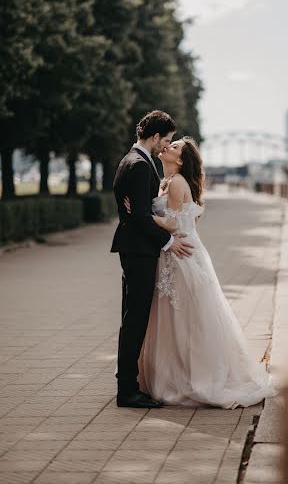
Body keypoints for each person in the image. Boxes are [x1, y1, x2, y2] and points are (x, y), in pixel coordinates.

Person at [128, 136, 276, 408]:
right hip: (182, 251)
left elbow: (172, 223)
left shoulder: (176, 183)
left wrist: (142, 215)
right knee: (184, 317)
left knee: (181, 318)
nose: (167, 147)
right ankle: (182, 373)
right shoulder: (169, 182)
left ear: (181, 160)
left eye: (174, 147)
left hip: (179, 253)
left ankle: (184, 378)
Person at [111, 110, 194, 409]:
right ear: (156, 136)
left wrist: (142, 216)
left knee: (131, 318)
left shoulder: (130, 161)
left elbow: (139, 213)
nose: (166, 146)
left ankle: (127, 384)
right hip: (139, 251)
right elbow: (142, 218)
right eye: (167, 140)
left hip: (134, 250)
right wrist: (170, 242)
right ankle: (127, 391)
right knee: (135, 320)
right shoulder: (141, 166)